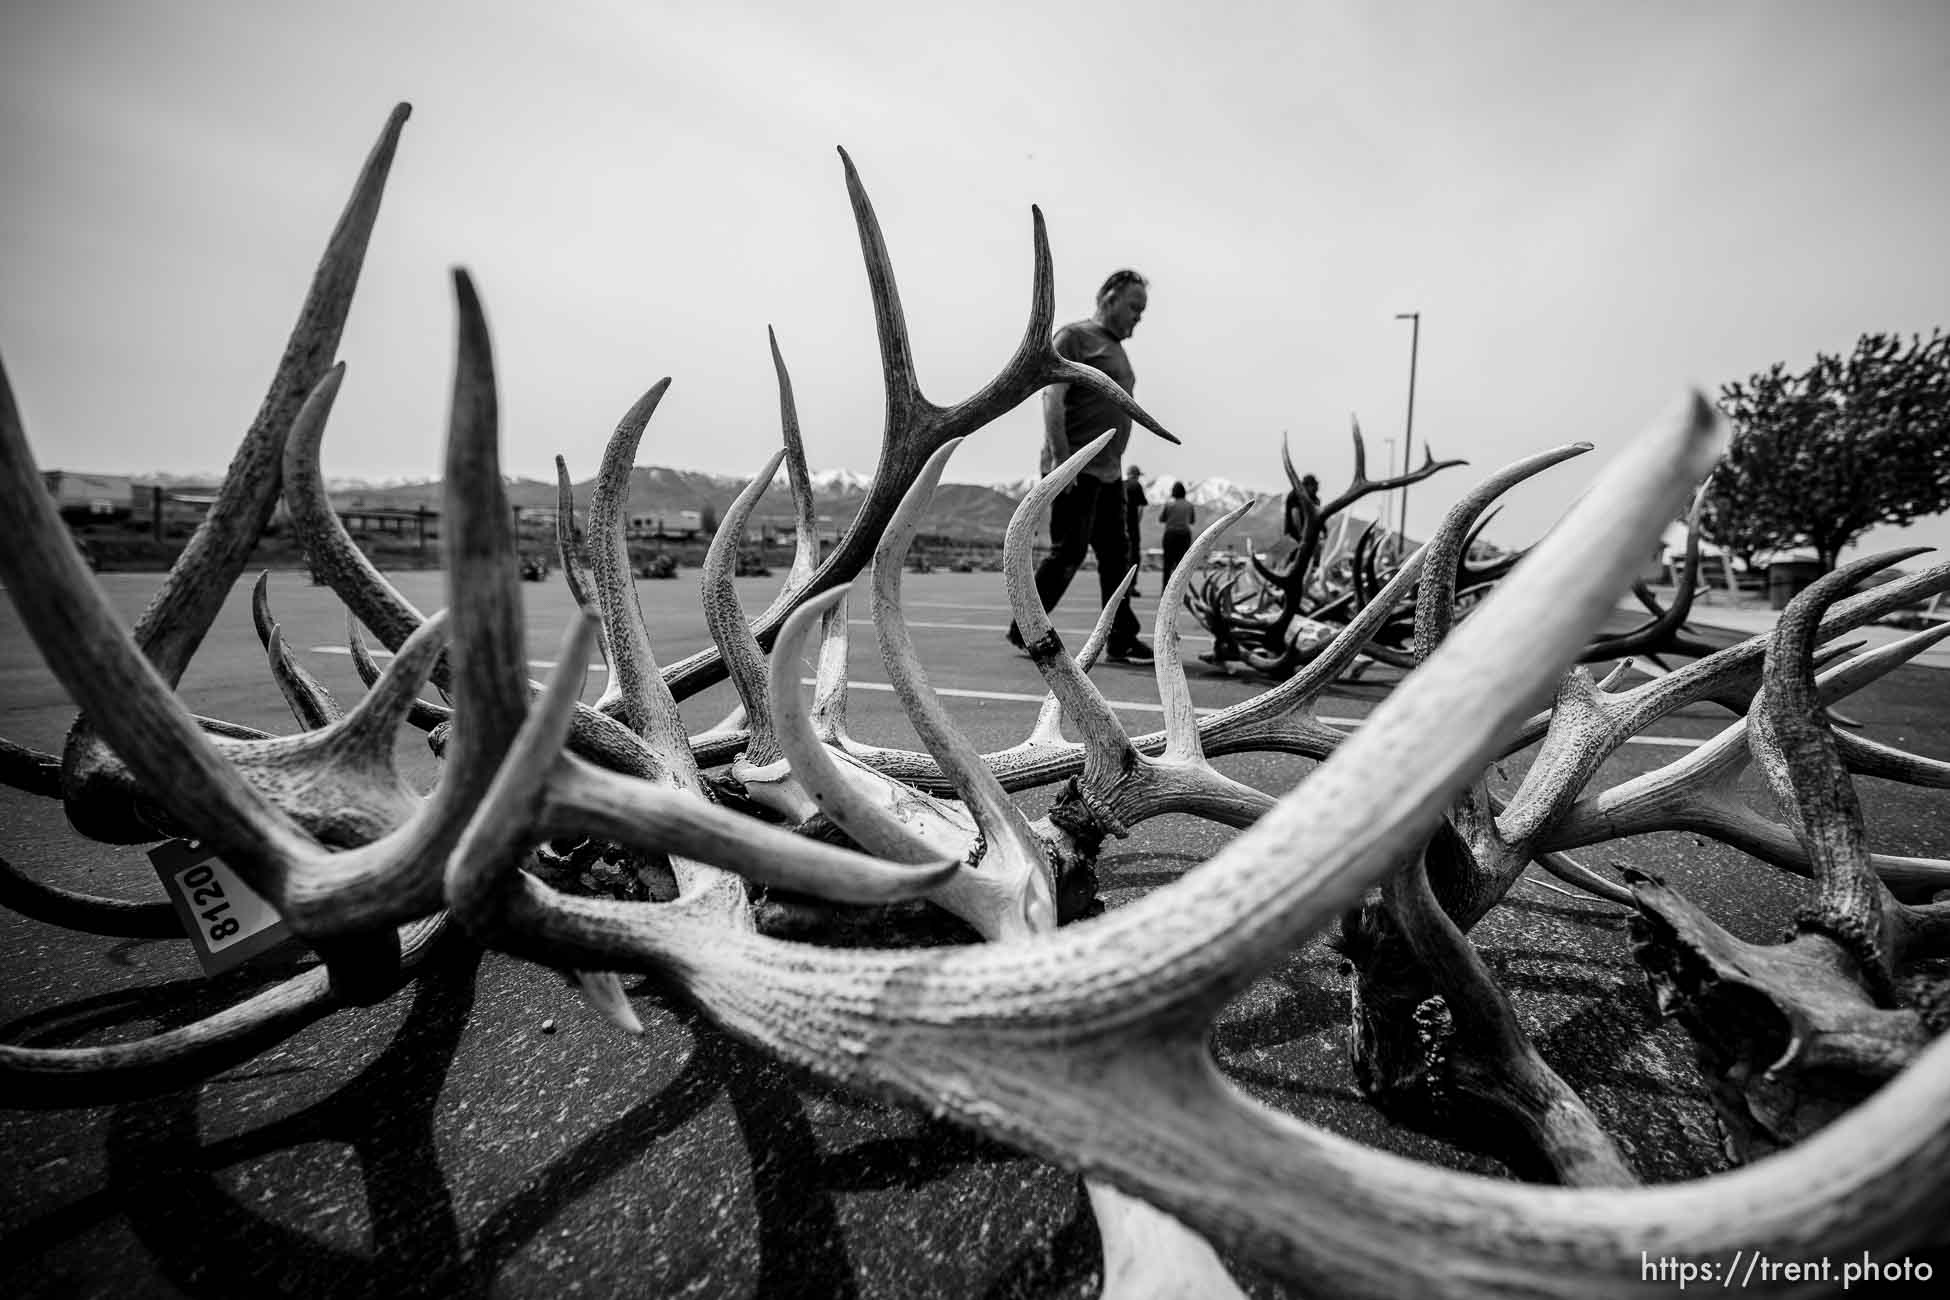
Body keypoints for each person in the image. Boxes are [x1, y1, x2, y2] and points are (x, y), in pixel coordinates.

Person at [1006, 268, 1154, 662]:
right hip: (1077, 469)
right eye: (1134, 307)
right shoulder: (1074, 337)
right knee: (1068, 551)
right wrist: (1060, 459)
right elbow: (1052, 396)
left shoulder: (1115, 348)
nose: (1138, 317)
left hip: (1108, 473)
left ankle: (1121, 635)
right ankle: (1025, 628)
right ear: (1109, 297)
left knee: (1117, 557)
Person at [1158, 481, 1196, 582]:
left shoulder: (1169, 504)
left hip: (1170, 535)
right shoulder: (1189, 505)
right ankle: (1180, 589)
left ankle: (1165, 588)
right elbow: (1192, 521)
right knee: (1182, 564)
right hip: (1184, 535)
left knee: (1167, 563)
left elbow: (1161, 519)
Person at [1123, 465, 1149, 596]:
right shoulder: (1136, 486)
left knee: (1121, 556)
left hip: (1120, 526)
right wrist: (1136, 522)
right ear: (1136, 475)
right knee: (1134, 557)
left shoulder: (1121, 485)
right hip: (1132, 527)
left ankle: (1120, 587)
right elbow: (1141, 507)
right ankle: (1131, 586)